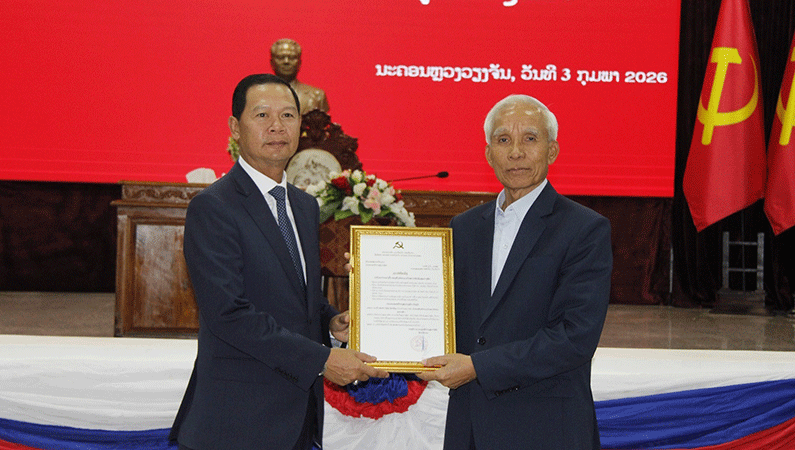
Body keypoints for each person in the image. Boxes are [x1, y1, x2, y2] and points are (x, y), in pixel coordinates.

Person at [169, 73, 387, 450]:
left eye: (288, 115)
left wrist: (330, 321)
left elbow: (296, 294)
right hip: (235, 423)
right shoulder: (213, 207)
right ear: (235, 127)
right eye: (262, 115)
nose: (276, 126)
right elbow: (228, 314)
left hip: (296, 419)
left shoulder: (303, 205)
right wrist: (322, 360)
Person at [417, 94, 613, 449]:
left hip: (545, 427)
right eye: (503, 139)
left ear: (552, 151)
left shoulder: (584, 229)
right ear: (488, 153)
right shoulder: (464, 228)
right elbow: (440, 313)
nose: (516, 152)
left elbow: (575, 337)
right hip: (470, 426)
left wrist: (478, 367)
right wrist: (373, 289)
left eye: (530, 139)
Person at [270, 38, 330, 115]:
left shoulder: (317, 96)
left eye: (292, 57)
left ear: (299, 63)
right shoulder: (258, 95)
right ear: (272, 63)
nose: (286, 61)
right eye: (281, 57)